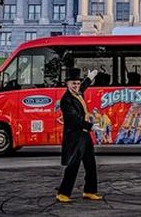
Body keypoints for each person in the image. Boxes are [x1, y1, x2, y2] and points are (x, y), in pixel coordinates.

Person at [56, 67, 102, 203]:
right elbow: (74, 119)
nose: (76, 85)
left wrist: (89, 78)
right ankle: (63, 193)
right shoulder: (66, 100)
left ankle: (90, 191)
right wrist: (91, 126)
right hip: (75, 135)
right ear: (67, 84)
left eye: (77, 83)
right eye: (73, 83)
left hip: (84, 134)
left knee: (90, 163)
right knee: (73, 165)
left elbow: (84, 86)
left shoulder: (78, 92)